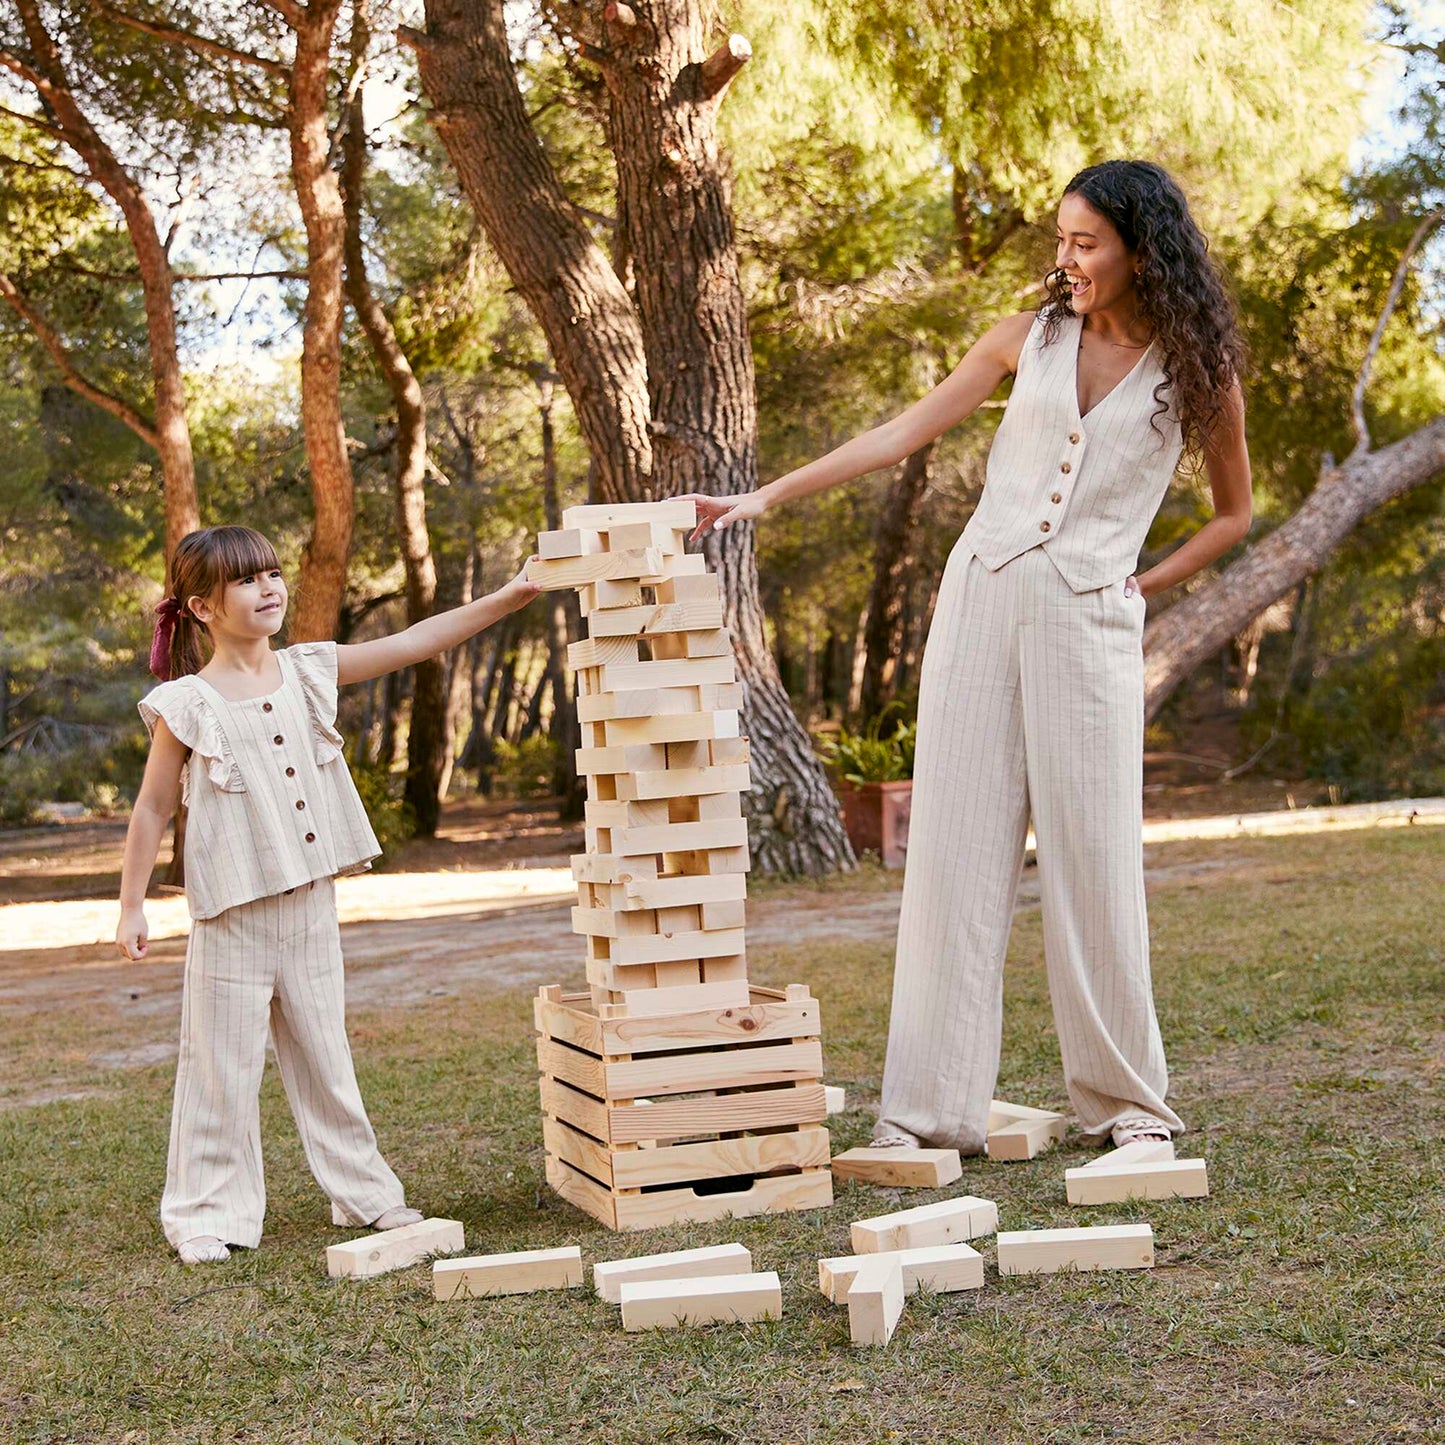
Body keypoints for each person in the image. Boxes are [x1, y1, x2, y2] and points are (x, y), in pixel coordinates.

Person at [686, 159, 1253, 1154]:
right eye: (1060, 239)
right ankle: (925, 1110)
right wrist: (761, 498)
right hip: (978, 603)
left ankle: (1126, 1107)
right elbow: (901, 431)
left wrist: (1143, 582)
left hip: (1089, 626)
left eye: (1086, 242)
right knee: (949, 849)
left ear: (1141, 249)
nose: (1064, 258)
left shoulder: (1194, 372)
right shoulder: (1022, 339)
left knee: (1093, 863)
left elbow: (1233, 515)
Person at [116, 525, 541, 1263]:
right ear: (202, 606)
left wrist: (512, 595)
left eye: (273, 572)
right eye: (248, 579)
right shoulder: (186, 703)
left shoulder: (309, 668)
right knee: (220, 1068)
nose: (269, 587)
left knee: (325, 1056)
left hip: (310, 904)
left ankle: (363, 1194)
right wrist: (131, 904)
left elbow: (414, 641)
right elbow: (152, 808)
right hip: (231, 916)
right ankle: (205, 1214)